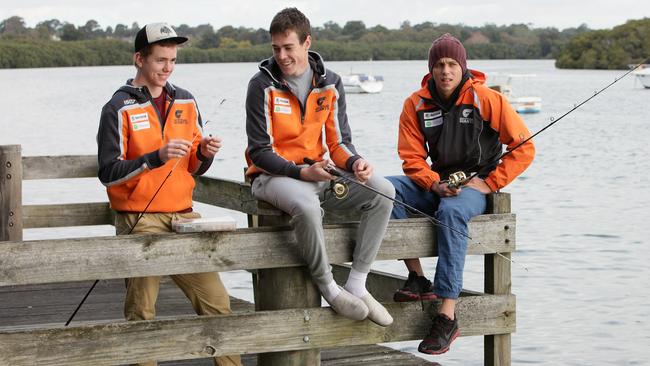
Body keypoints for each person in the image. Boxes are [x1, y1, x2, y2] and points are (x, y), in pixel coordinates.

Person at [97, 23, 241, 366]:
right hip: (139, 221)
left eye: (173, 60)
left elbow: (193, 167)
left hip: (185, 217)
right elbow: (108, 173)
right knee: (142, 313)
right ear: (139, 59)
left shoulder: (186, 101)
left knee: (217, 304)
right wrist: (154, 158)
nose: (168, 68)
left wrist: (205, 152)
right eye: (161, 60)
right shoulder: (116, 107)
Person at [245, 8, 395, 326]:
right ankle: (329, 287)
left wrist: (356, 163)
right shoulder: (261, 86)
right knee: (306, 205)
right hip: (271, 176)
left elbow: (339, 143)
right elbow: (259, 151)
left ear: (307, 42)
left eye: (288, 47)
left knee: (383, 191)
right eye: (275, 48)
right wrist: (301, 172)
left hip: (318, 171)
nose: (282, 55)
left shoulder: (331, 83)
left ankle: (357, 282)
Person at [387, 33, 535, 355]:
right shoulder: (415, 103)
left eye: (452, 64)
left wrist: (490, 182)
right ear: (431, 69)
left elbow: (524, 148)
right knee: (385, 190)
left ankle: (447, 315)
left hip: (473, 187)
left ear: (462, 67)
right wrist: (432, 183)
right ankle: (417, 278)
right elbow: (411, 158)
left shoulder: (487, 99)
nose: (445, 71)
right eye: (439, 64)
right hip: (437, 184)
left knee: (451, 211)